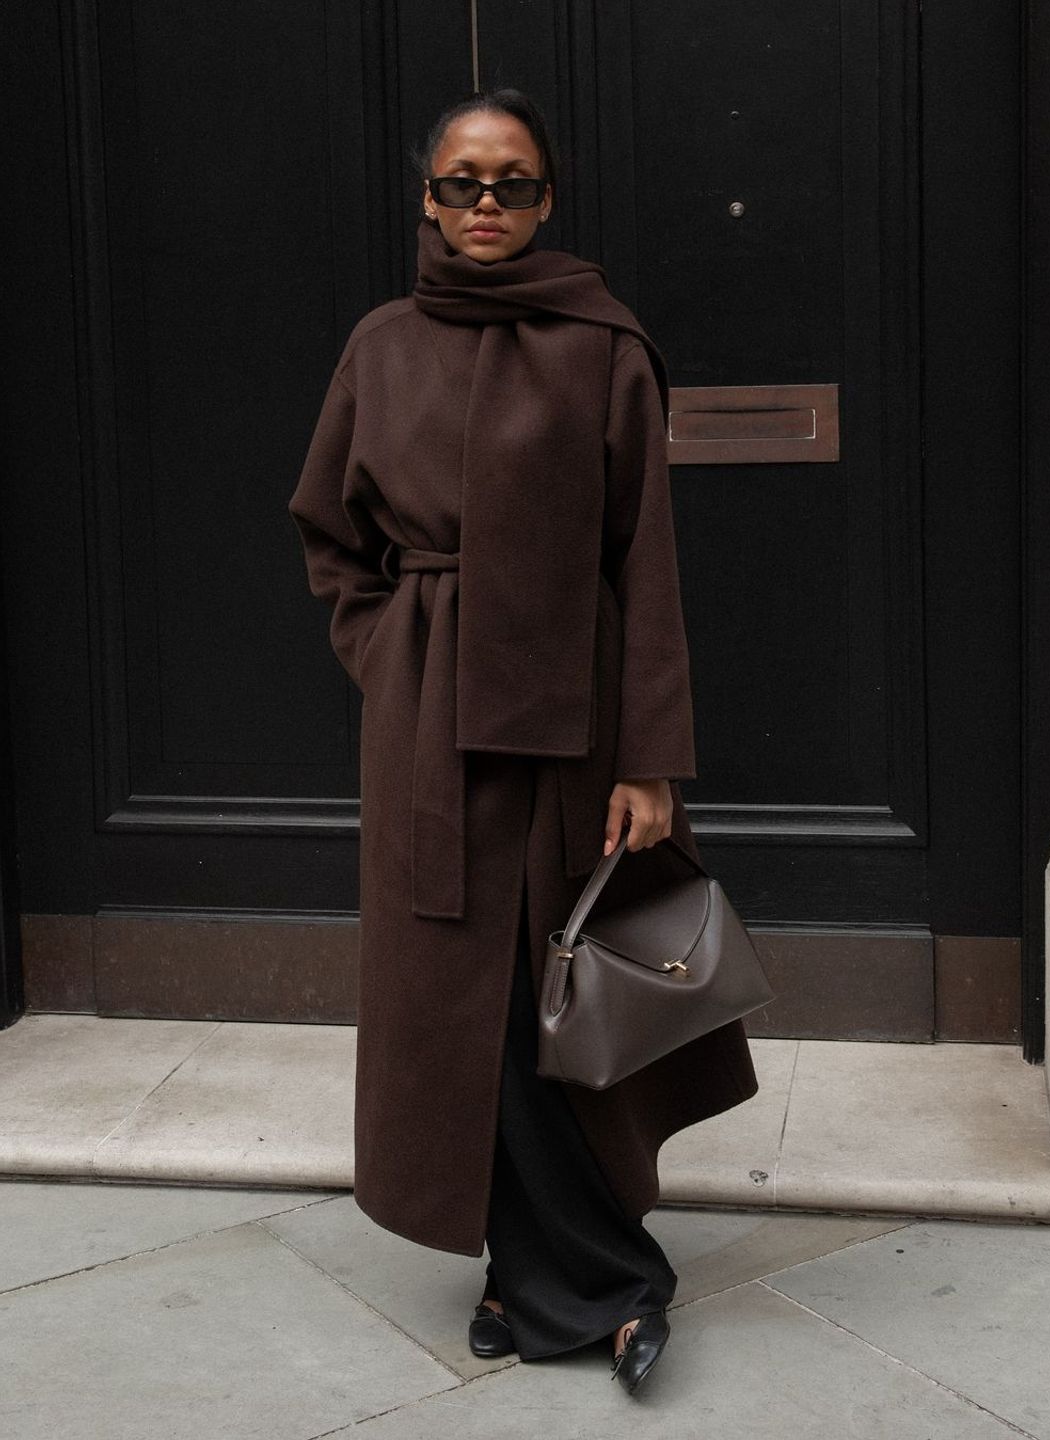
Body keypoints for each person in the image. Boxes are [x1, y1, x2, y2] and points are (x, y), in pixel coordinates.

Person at [287, 87, 760, 1395]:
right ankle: (532, 1268)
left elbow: (644, 567)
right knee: (463, 1012)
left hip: (571, 727)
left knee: (556, 1000)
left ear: (546, 199)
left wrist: (651, 761)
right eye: (461, 182)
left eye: (510, 182)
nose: (484, 204)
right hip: (426, 730)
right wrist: (389, 651)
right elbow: (332, 532)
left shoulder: (603, 347)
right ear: (427, 199)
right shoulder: (379, 346)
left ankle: (599, 1277)